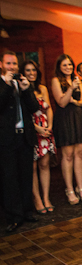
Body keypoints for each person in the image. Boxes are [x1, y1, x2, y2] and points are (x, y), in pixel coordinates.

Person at [0, 52, 40, 232]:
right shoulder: (2, 84)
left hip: (25, 135)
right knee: (10, 178)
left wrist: (26, 89)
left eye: (14, 64)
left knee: (26, 175)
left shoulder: (22, 84)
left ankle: (27, 211)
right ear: (1, 64)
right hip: (6, 138)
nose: (12, 67)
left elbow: (34, 108)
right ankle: (14, 216)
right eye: (8, 63)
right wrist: (7, 86)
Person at [51, 54, 82, 205]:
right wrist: (70, 90)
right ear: (59, 67)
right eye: (65, 65)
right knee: (67, 155)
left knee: (80, 153)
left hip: (78, 117)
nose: (68, 68)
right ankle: (69, 189)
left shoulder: (77, 79)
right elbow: (61, 103)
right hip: (64, 118)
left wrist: (75, 100)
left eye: (70, 65)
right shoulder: (56, 81)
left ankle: (80, 187)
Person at [21, 60, 56, 214]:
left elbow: (48, 109)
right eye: (28, 70)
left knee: (45, 164)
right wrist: (37, 129)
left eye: (34, 70)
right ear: (23, 72)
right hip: (31, 130)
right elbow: (24, 115)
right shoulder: (22, 90)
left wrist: (49, 127)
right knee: (33, 167)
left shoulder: (42, 88)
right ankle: (37, 199)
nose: (31, 73)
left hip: (46, 130)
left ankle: (46, 197)